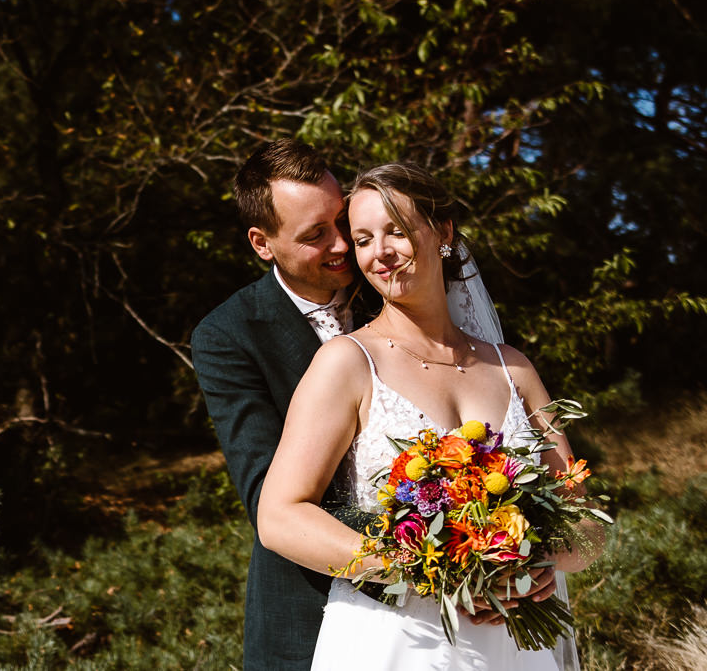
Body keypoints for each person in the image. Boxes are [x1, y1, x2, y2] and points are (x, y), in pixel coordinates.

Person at [256, 162, 602, 670]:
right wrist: (428, 570)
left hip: (514, 643)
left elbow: (586, 523)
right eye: (364, 239)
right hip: (400, 640)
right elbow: (280, 517)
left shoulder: (513, 369)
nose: (381, 253)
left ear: (443, 232)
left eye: (396, 231)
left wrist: (543, 561)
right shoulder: (347, 363)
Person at [191, 139, 360, 671]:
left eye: (342, 219)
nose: (343, 244)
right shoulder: (227, 335)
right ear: (263, 244)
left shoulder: (398, 290)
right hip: (310, 607)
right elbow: (267, 495)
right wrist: (414, 548)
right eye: (315, 235)